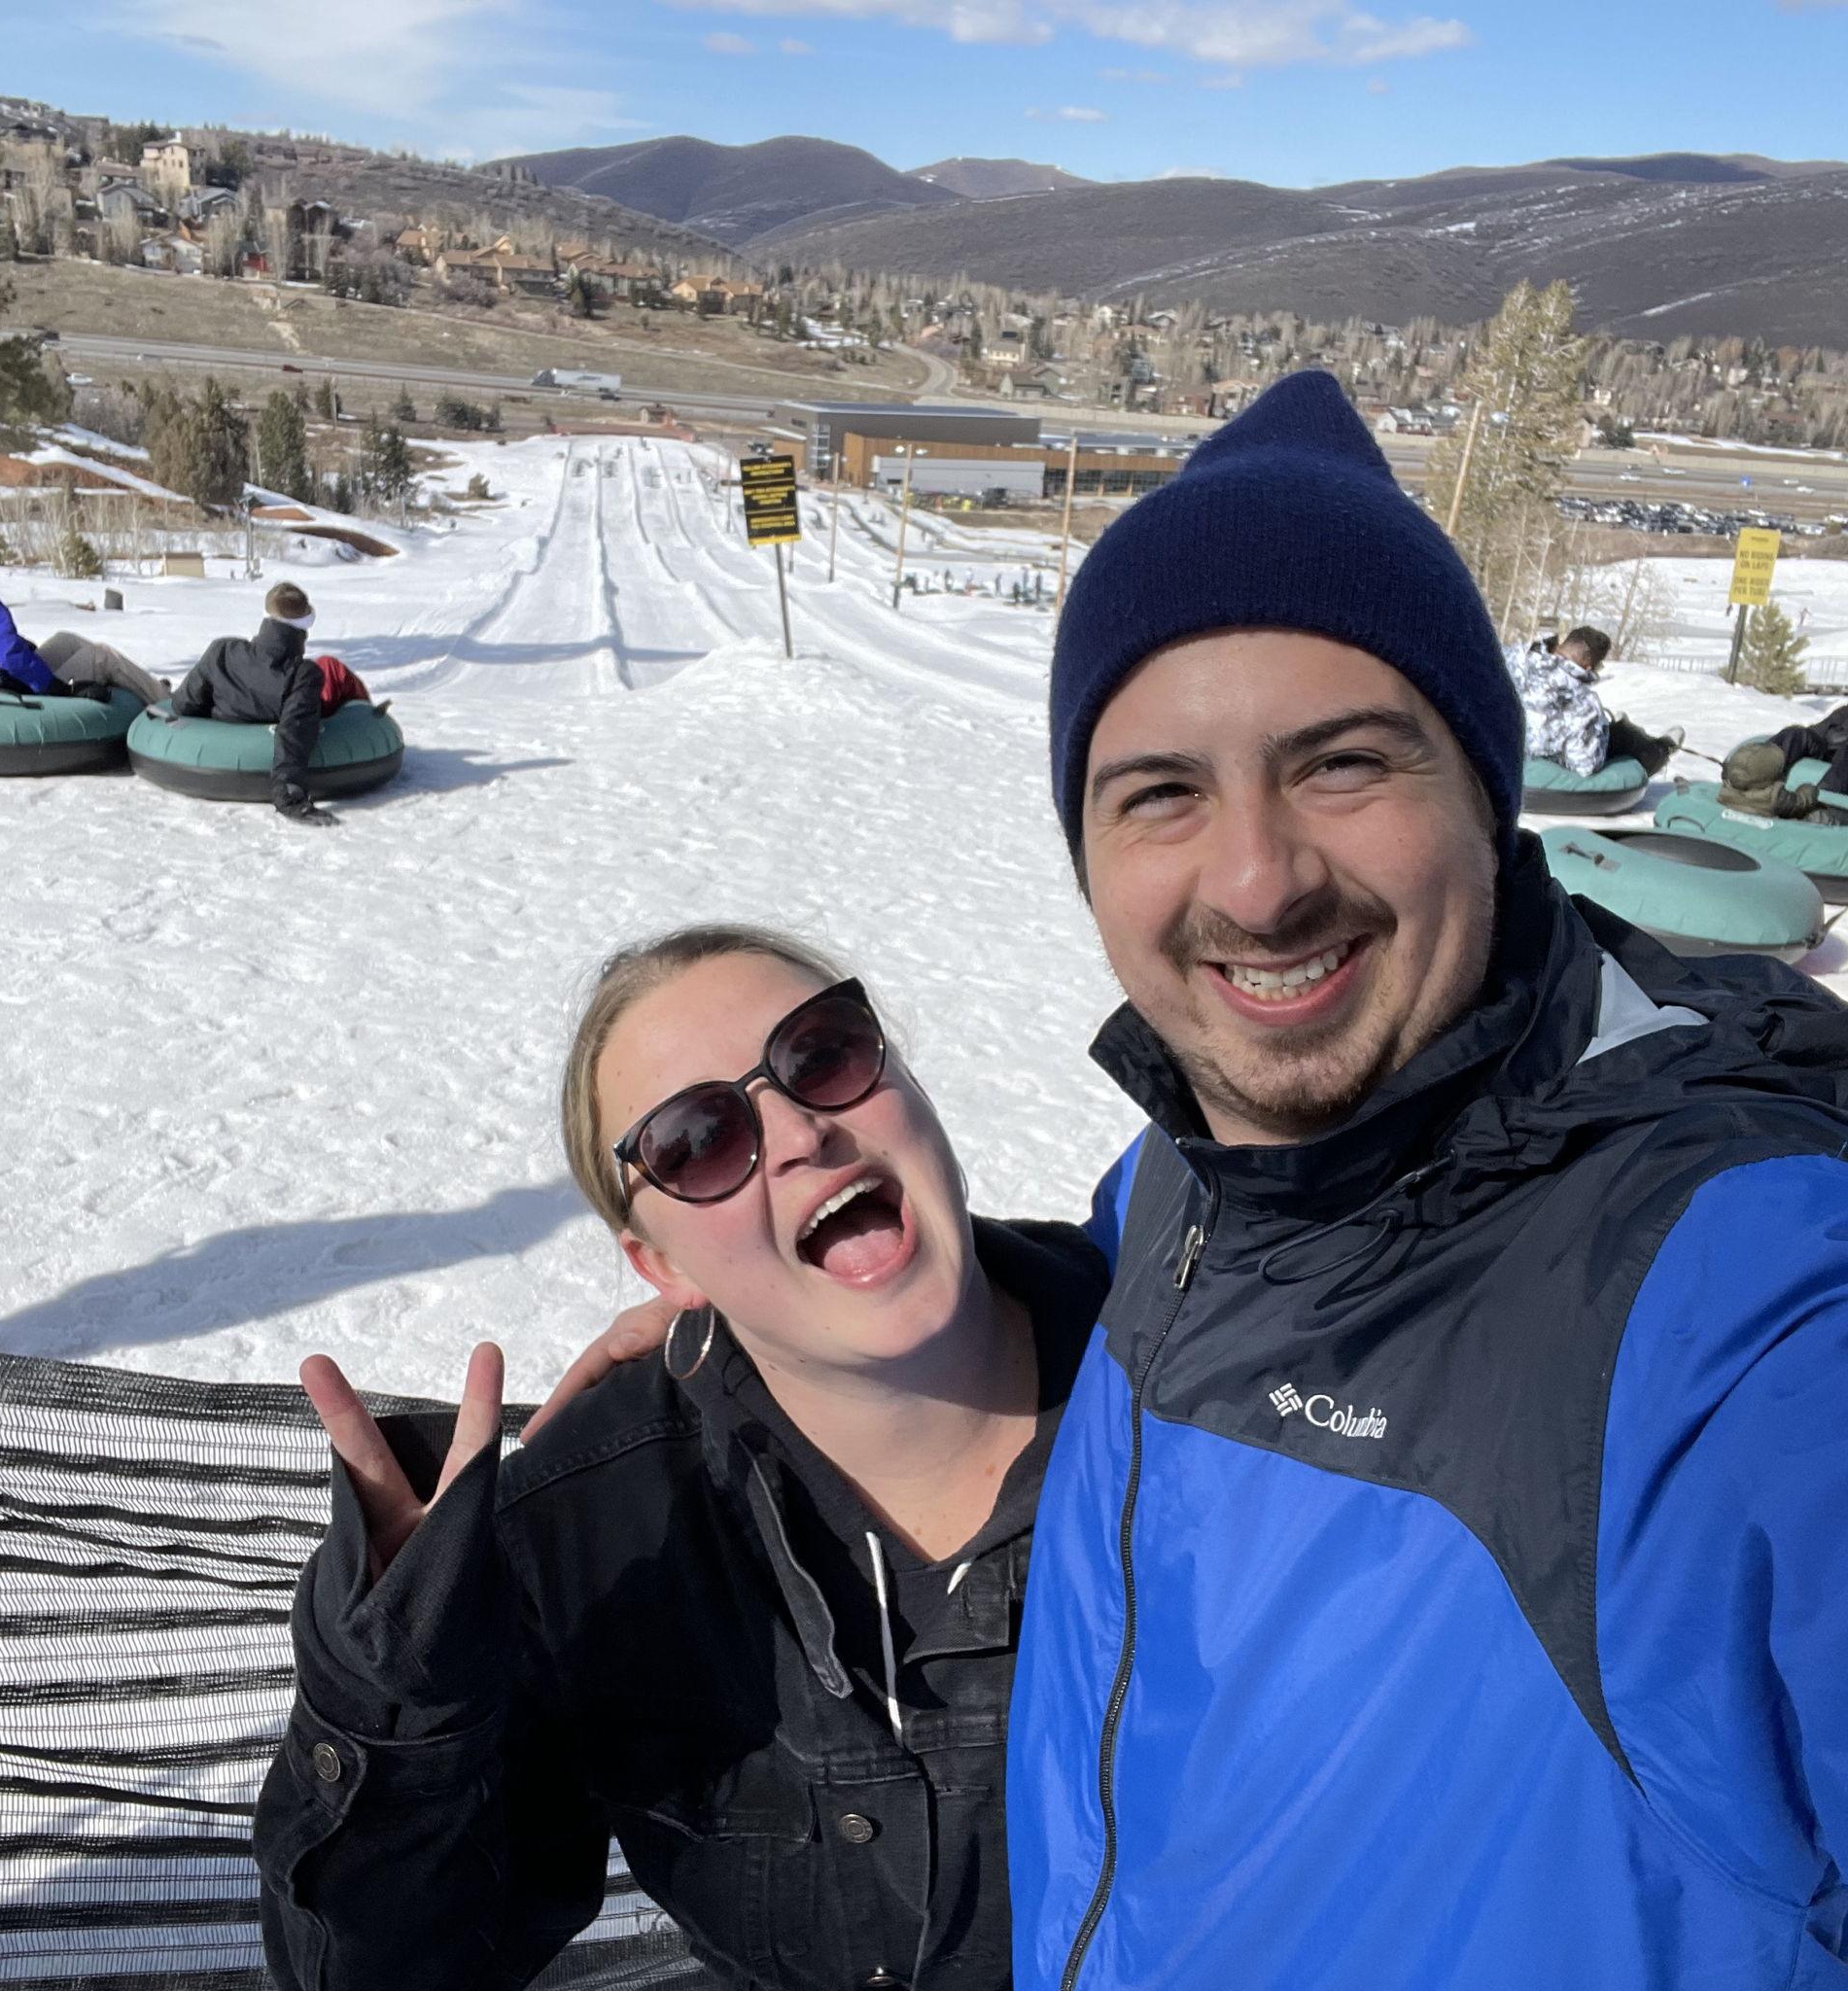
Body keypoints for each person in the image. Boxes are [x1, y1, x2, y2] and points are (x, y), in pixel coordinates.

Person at [551, 372, 1848, 1988]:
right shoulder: (1188, 1177)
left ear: (1484, 789)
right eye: (1161, 791)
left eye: (1342, 763)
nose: (1256, 878)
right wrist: (761, 1315)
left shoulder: (1742, 1313)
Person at [253, 925, 1108, 1991]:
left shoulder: (1201, 1396)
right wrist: (399, 1711)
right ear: (660, 1264)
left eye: (823, 1054)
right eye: (698, 1141)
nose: (798, 1132)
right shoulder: (597, 1529)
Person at [0, 516, 167, 704]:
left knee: (66, 640)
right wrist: (58, 689)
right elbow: (9, 655)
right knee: (102, 656)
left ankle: (148, 685)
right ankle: (167, 702)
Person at [169, 581, 333, 826]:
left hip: (214, 750)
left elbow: (184, 704)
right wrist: (288, 795)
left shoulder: (222, 651)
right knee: (334, 672)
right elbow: (294, 729)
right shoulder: (303, 674)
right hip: (269, 748)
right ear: (305, 626)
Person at [1512, 624, 1681, 776]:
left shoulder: (1515, 658)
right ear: (1588, 666)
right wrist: (1602, 734)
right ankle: (1663, 748)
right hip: (1540, 764)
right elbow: (1586, 765)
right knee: (1623, 737)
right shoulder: (1583, 703)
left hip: (1508, 747)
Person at [1719, 735, 1848, 825]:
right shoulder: (1775, 799)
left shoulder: (1726, 793)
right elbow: (1802, 801)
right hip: (1828, 816)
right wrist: (1808, 789)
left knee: (1797, 734)